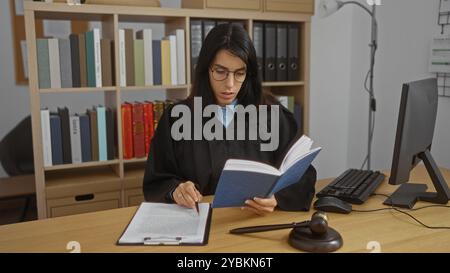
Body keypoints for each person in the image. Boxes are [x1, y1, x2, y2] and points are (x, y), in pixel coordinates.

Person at [143, 23, 316, 215]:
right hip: (200, 222)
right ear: (205, 69)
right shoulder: (176, 119)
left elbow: (303, 175)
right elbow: (157, 179)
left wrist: (277, 198)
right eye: (220, 71)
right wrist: (176, 190)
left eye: (239, 73)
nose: (230, 85)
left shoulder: (272, 115)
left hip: (254, 221)